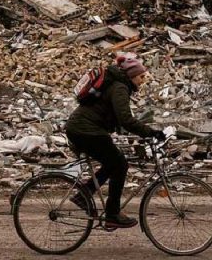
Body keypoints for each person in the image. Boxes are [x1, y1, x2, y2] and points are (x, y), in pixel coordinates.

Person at [65, 54, 164, 229]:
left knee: (113, 163)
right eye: (141, 77)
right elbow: (126, 119)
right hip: (86, 130)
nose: (143, 81)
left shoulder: (116, 85)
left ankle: (85, 194)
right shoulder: (120, 87)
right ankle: (112, 213)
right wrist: (150, 133)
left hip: (84, 129)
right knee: (119, 165)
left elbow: (115, 118)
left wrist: (137, 133)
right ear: (132, 75)